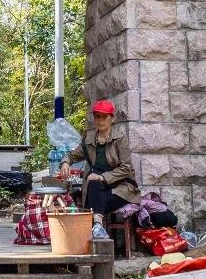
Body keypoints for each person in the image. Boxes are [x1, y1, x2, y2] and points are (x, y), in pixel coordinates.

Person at [58, 100, 177, 240]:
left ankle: (96, 228)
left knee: (92, 203)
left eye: (104, 116)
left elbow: (127, 168)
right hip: (98, 190)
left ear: (112, 118)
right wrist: (65, 162)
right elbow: (72, 155)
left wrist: (103, 177)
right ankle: (98, 228)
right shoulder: (89, 141)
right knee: (93, 188)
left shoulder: (120, 140)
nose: (100, 120)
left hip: (121, 189)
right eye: (97, 116)